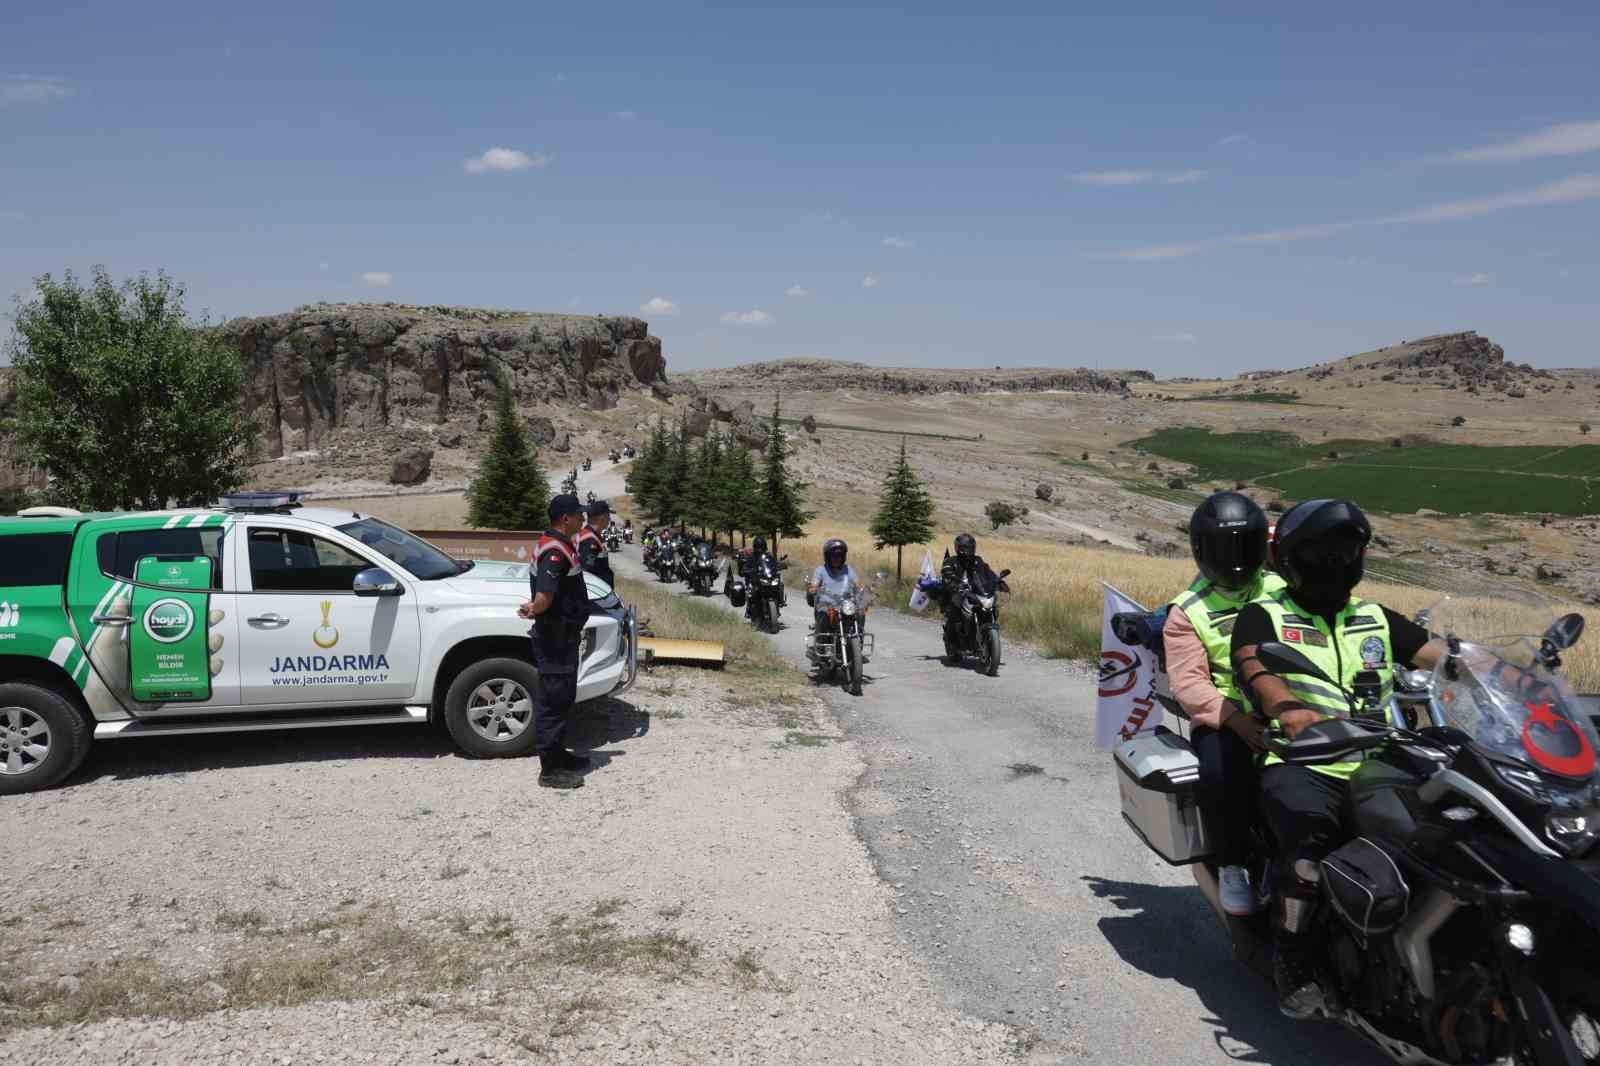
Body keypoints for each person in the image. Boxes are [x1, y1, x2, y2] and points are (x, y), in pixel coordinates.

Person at [1230, 498, 1444, 1018]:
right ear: (1296, 559)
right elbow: (1254, 667)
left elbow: (1445, 656)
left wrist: (1504, 672)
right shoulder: (1265, 615)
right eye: (1326, 551)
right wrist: (1288, 708)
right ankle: (1293, 961)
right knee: (1307, 848)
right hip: (1305, 760)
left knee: (1448, 838)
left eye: (1346, 550)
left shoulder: (1373, 617)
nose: (1337, 560)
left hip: (1380, 760)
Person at [1162, 492, 1283, 917]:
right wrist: (1237, 721)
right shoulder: (1187, 610)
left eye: (1242, 547)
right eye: (1222, 549)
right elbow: (1190, 684)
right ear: (1202, 551)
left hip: (1294, 701)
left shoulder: (1283, 587)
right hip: (1227, 715)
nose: (1233, 560)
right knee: (1219, 774)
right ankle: (1232, 863)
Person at [517, 493, 594, 790]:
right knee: (553, 700)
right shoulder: (554, 551)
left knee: (562, 698)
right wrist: (533, 608)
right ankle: (549, 770)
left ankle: (560, 755)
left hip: (563, 635)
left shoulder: (559, 544)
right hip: (555, 638)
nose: (582, 519)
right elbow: (545, 596)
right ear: (566, 518)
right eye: (579, 514)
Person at [939, 533, 1001, 659]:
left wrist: (998, 581)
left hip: (976, 593)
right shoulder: (950, 561)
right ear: (959, 548)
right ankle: (953, 643)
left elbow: (988, 572)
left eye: (971, 547)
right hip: (958, 594)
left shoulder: (977, 560)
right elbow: (947, 576)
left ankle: (983, 639)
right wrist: (954, 585)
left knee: (992, 606)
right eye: (967, 547)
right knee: (955, 613)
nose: (970, 550)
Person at [806, 538, 863, 630]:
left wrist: (862, 589)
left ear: (843, 557)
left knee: (860, 612)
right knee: (823, 613)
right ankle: (821, 639)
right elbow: (815, 583)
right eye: (834, 556)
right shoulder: (820, 570)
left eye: (840, 556)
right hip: (827, 605)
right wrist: (814, 587)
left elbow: (857, 583)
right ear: (827, 557)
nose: (837, 559)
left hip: (845, 604)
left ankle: (859, 635)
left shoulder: (848, 569)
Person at [576, 499, 615, 587]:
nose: (609, 519)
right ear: (602, 518)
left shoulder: (593, 535)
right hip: (595, 592)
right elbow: (586, 572)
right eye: (608, 516)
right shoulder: (590, 540)